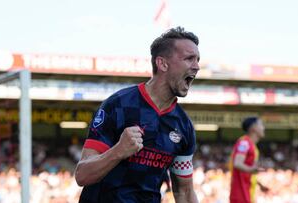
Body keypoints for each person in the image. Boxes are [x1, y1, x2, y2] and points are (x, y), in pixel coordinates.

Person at [75, 27, 200, 203]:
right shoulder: (118, 105)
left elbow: (185, 193)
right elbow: (82, 176)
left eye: (197, 60)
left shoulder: (183, 126)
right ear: (162, 63)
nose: (197, 66)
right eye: (189, 59)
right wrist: (118, 151)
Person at [229, 117, 269, 203]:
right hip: (240, 195)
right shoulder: (244, 142)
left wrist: (260, 185)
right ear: (253, 127)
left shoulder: (253, 147)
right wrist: (252, 169)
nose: (263, 127)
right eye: (261, 124)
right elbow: (237, 163)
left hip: (247, 194)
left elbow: (247, 172)